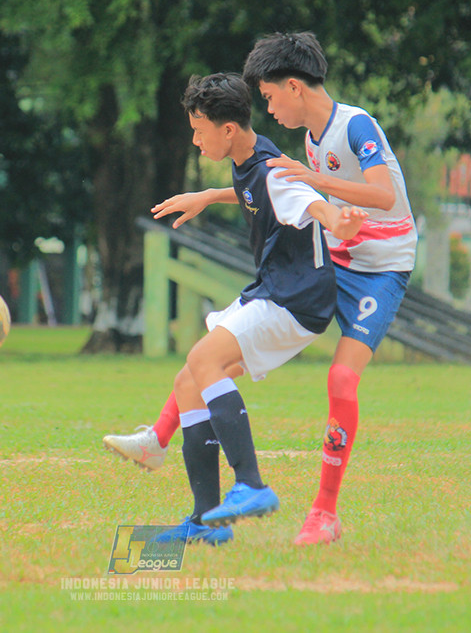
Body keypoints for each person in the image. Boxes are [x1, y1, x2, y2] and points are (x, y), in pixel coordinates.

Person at [105, 33, 416, 547]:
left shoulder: (353, 127)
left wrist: (323, 198)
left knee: (337, 379)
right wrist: (211, 194)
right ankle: (199, 506)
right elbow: (271, 185)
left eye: (270, 96)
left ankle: (318, 510)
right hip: (328, 259)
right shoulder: (302, 146)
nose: (266, 107)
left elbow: (371, 195)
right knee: (197, 373)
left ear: (294, 87)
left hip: (377, 267)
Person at [145, 73, 366, 547]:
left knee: (203, 360)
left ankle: (252, 485)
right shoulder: (249, 159)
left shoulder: (272, 171)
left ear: (227, 130)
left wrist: (339, 220)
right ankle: (206, 521)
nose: (195, 140)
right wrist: (208, 196)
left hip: (296, 299)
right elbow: (254, 191)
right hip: (276, 290)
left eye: (199, 130)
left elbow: (309, 203)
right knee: (189, 382)